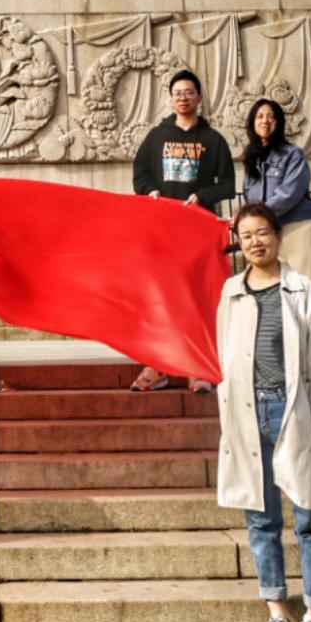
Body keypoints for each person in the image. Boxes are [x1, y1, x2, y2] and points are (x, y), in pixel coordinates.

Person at [216, 201, 311, 622]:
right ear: (239, 243)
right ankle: (277, 613)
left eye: (262, 233)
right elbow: (223, 355)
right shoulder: (230, 291)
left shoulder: (301, 289)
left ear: (278, 236)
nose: (255, 242)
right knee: (260, 518)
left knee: (310, 515)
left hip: (293, 411)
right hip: (248, 415)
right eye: (246, 236)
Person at [129, 68, 236, 392]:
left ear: (199, 97)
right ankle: (157, 366)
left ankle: (196, 367)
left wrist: (201, 196)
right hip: (164, 230)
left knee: (195, 297)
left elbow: (227, 185)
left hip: (198, 232)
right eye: (178, 93)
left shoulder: (213, 140)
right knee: (162, 297)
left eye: (189, 92)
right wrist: (150, 191)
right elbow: (140, 174)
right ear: (171, 98)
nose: (183, 98)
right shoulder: (156, 137)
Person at [241, 97, 311, 288]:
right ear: (252, 123)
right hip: (268, 233)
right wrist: (243, 219)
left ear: (278, 122)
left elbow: (290, 193)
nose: (265, 121)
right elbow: (249, 198)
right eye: (259, 116)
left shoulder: (293, 154)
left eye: (271, 117)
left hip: (298, 229)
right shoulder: (251, 160)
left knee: (305, 291)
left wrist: (256, 215)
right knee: (274, 294)